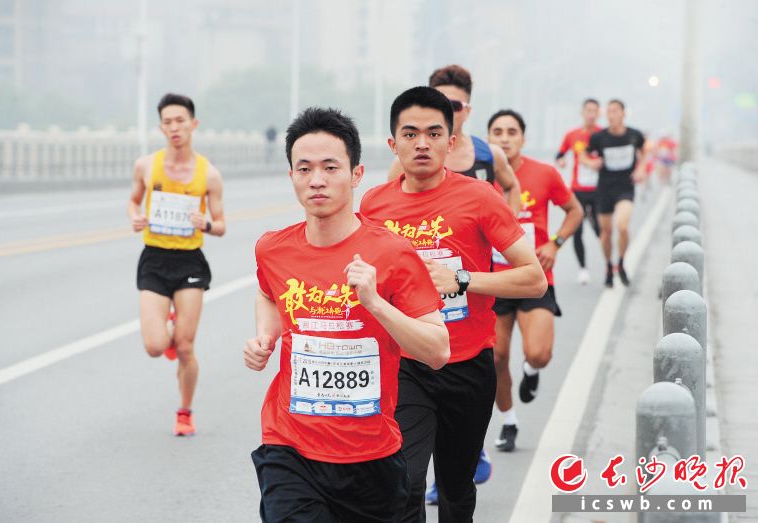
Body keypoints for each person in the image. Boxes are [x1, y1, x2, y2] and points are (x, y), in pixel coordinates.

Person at [245, 107, 450, 523]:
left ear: (356, 175)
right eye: (304, 169)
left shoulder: (393, 253)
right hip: (290, 448)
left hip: (370, 459)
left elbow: (437, 350)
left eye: (330, 167)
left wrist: (375, 303)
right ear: (292, 177)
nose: (316, 179)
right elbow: (268, 293)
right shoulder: (272, 248)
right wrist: (266, 337)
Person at [360, 86, 546, 523]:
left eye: (433, 133)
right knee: (404, 483)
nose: (421, 143)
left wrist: (462, 280)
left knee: (456, 489)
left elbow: (533, 278)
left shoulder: (480, 198)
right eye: (410, 134)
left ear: (451, 140)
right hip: (406, 362)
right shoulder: (374, 204)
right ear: (393, 143)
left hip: (468, 364)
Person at [127, 93, 226, 436]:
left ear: (193, 124)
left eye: (180, 120)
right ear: (161, 127)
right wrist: (135, 217)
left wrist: (206, 224)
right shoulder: (146, 166)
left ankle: (184, 412)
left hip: (189, 262)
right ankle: (168, 324)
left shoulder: (209, 174)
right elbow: (133, 201)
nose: (174, 127)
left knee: (185, 346)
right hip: (154, 257)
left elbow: (222, 224)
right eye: (167, 122)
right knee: (156, 346)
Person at [487, 109, 583, 451]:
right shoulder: (478, 178)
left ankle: (531, 370)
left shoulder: (544, 173)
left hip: (534, 277)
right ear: (488, 139)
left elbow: (576, 210)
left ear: (523, 138)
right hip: (492, 280)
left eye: (512, 131)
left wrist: (554, 243)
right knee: (496, 358)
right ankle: (509, 422)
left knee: (539, 353)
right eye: (497, 131)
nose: (505, 137)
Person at [387, 64, 521, 215]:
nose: (446, 111)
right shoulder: (406, 160)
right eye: (438, 105)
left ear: (467, 111)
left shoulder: (490, 154)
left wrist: (508, 227)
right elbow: (389, 206)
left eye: (454, 105)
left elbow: (512, 187)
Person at [581, 99, 649, 287]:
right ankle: (609, 266)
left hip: (625, 188)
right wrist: (591, 163)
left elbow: (644, 150)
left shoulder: (634, 135)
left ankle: (621, 262)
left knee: (622, 226)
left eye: (616, 111)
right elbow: (583, 155)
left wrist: (642, 168)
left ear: (624, 113)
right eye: (609, 112)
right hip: (604, 190)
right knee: (606, 232)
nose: (612, 115)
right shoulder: (599, 137)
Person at [556, 98, 602, 285]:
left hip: (598, 191)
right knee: (577, 229)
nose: (591, 114)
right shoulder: (572, 135)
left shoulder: (602, 135)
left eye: (594, 111)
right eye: (588, 111)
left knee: (601, 230)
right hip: (578, 190)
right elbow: (560, 154)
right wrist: (561, 161)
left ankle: (610, 264)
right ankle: (583, 268)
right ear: (582, 112)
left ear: (598, 114)